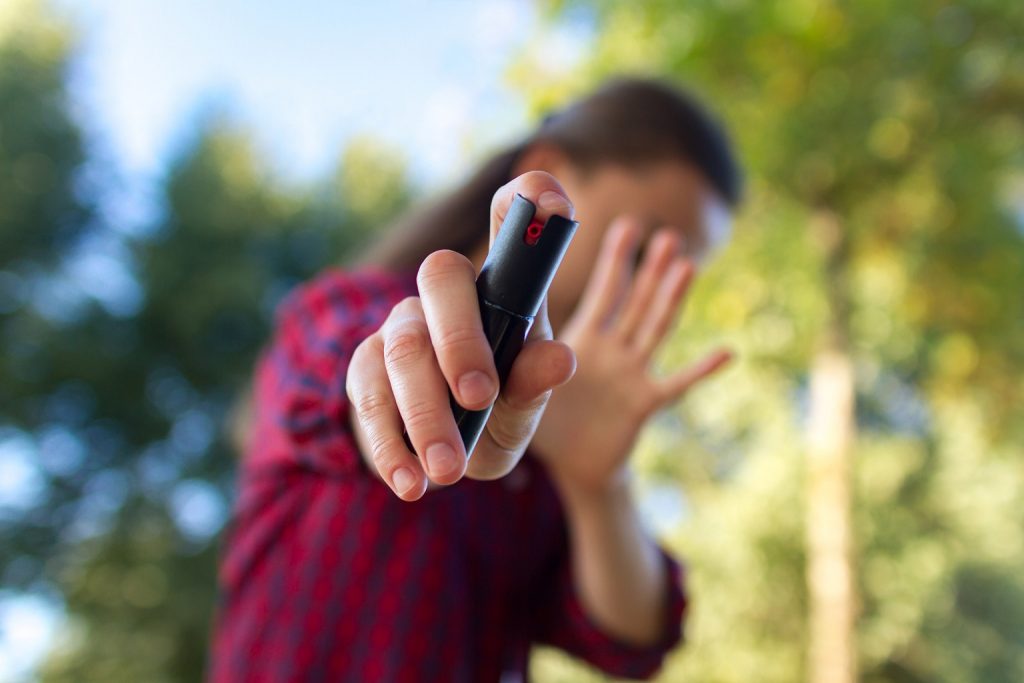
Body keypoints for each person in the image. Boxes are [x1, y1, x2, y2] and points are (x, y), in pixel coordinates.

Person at [209, 76, 742, 682]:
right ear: (551, 171)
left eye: (680, 272)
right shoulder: (338, 313)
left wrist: (599, 486)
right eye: (644, 248)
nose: (649, 288)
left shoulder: (564, 436)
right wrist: (417, 396)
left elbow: (633, 641)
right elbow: (350, 379)